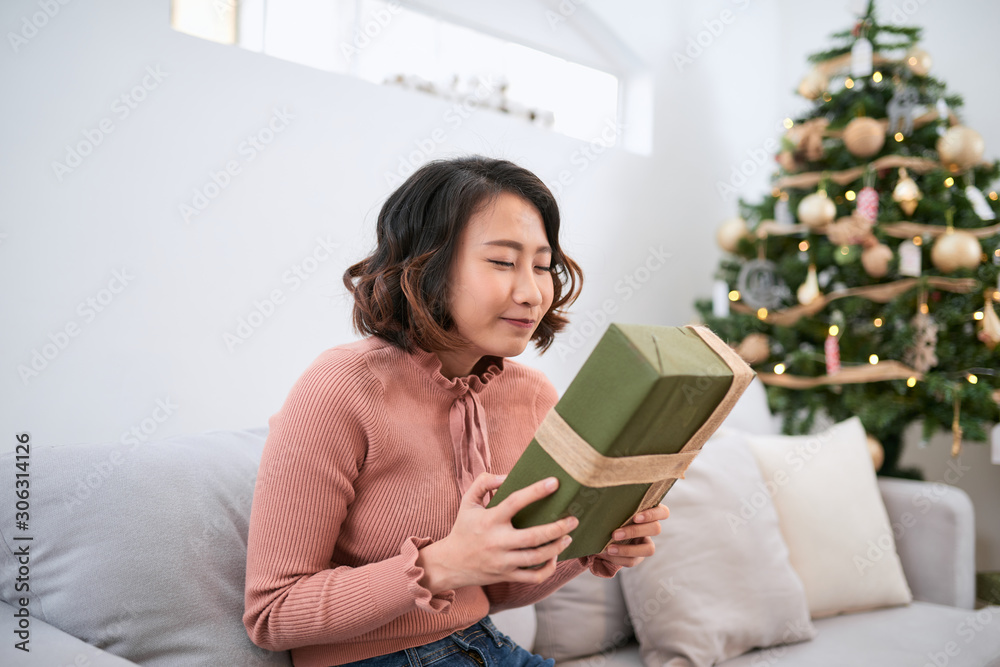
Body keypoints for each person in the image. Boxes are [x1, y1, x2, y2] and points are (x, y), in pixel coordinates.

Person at [243, 155, 670, 667]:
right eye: (502, 261)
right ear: (427, 267)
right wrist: (441, 565)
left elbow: (499, 593)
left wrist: (590, 547)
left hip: (482, 646)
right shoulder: (339, 388)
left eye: (541, 265)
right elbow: (273, 613)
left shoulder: (529, 394)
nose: (531, 292)